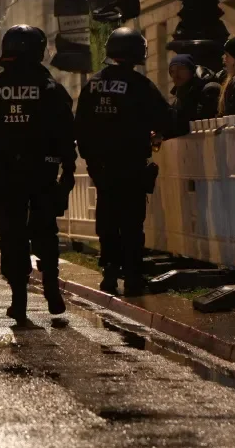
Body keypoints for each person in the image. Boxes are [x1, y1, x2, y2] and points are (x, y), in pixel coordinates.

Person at [0, 25, 75, 322]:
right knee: (45, 230)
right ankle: (51, 288)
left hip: (5, 174)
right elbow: (66, 130)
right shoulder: (49, 87)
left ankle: (19, 300)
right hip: (42, 171)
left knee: (12, 235)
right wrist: (69, 168)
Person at [75, 27, 189, 297]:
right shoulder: (139, 85)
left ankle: (110, 273)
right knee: (131, 223)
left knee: (107, 219)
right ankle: (133, 277)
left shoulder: (92, 85)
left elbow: (80, 126)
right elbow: (167, 120)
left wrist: (91, 159)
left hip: (101, 167)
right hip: (131, 164)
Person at [168, 54, 221, 123]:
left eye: (181, 69)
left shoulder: (209, 90)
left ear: (191, 70)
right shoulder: (179, 98)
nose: (176, 75)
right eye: (172, 71)